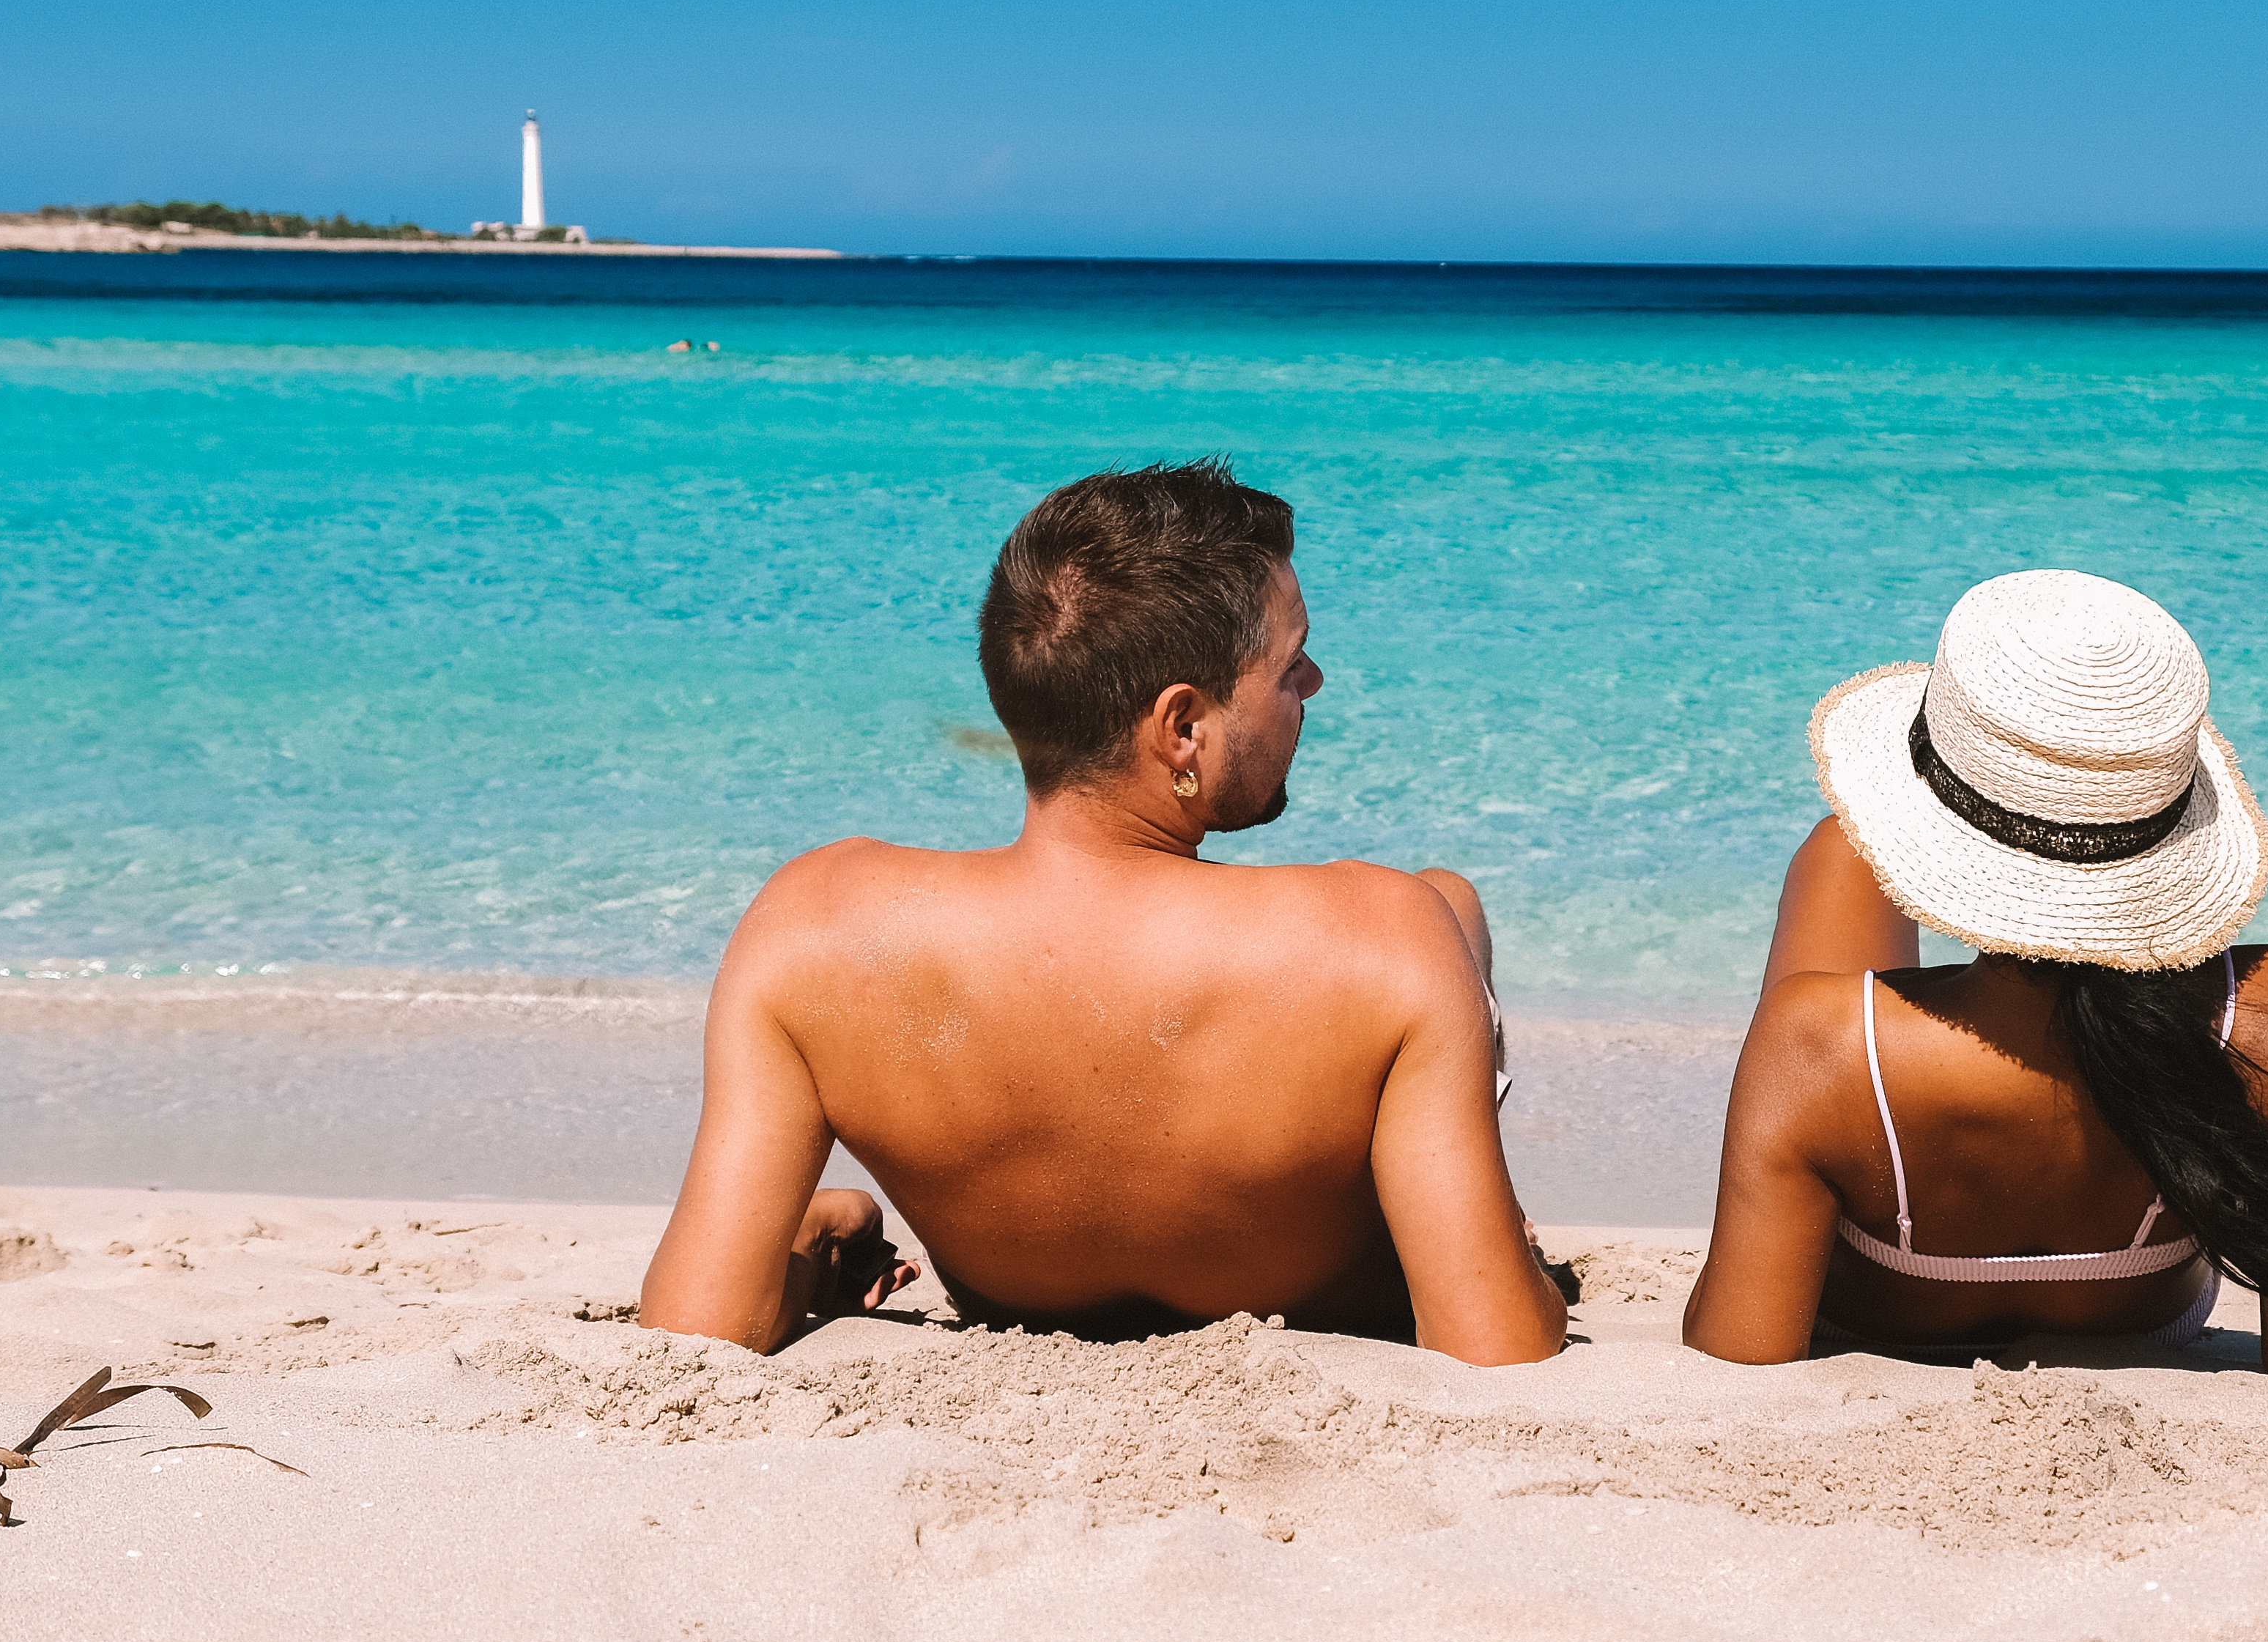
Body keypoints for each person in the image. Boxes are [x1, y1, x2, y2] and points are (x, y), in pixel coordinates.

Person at [637, 459, 1570, 1367]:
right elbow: (1496, 1346)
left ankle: (818, 1221)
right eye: (1289, 663)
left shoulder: (814, 927)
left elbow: (693, 1333)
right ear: (1182, 729)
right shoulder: (1386, 935)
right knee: (1453, 905)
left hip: (1016, 1292)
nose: (1314, 681)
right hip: (1327, 1294)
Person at [1680, 570, 2268, 1368]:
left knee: (1840, 854)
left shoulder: (1818, 1044)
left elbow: (1732, 1351)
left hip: (1877, 1292)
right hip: (2144, 1315)